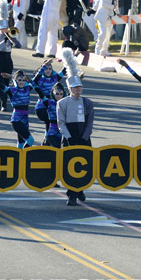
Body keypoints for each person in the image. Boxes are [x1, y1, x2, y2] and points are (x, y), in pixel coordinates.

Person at [56, 49, 94, 206]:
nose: (78, 90)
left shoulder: (88, 103)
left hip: (83, 137)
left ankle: (80, 190)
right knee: (69, 166)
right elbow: (61, 123)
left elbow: (90, 122)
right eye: (75, 88)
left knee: (84, 165)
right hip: (69, 138)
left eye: (79, 87)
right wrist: (69, 138)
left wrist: (84, 137)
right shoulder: (62, 103)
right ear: (69, 89)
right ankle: (72, 193)